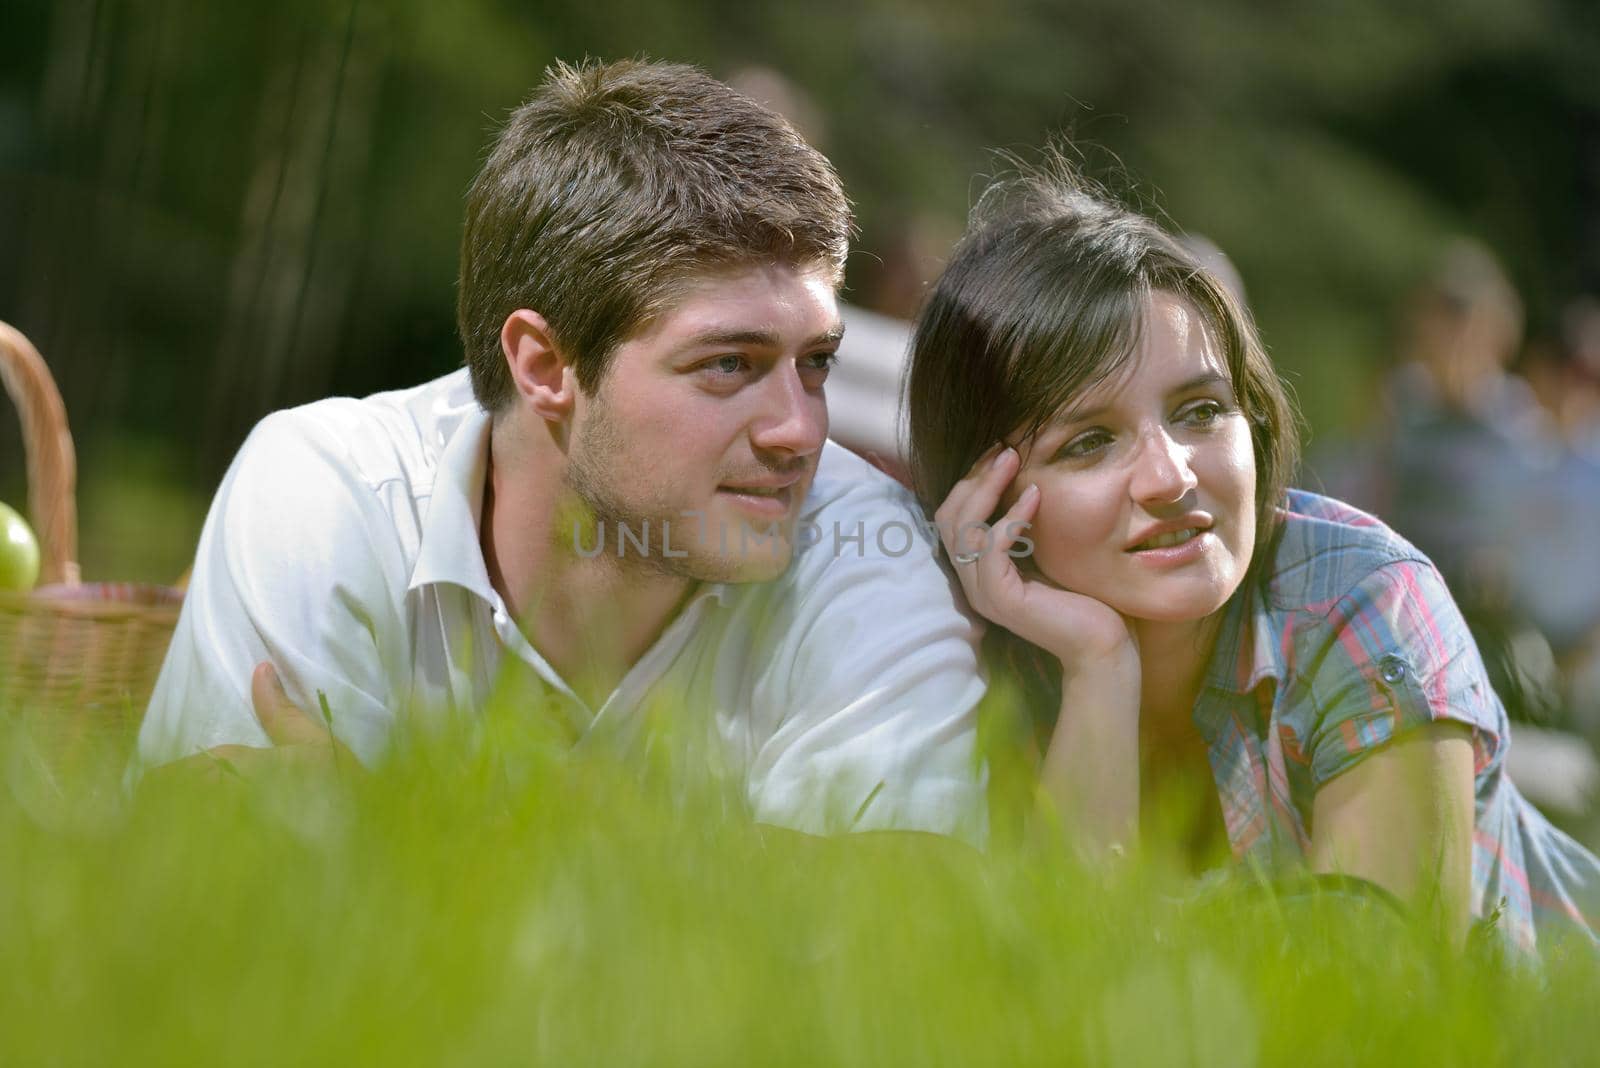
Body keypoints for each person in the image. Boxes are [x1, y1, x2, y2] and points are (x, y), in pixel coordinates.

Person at [135, 59, 986, 842]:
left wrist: (391, 823)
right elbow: (223, 885)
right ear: (545, 366)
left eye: (816, 364)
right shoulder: (326, 487)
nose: (801, 430)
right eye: (730, 363)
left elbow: (903, 918)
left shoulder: (864, 541)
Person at [903, 157, 1600, 954]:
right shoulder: (954, 651)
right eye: (1090, 442)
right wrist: (1099, 667)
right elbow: (1049, 991)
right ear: (987, 495)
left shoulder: (1364, 600)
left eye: (1201, 411)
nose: (1171, 477)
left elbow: (1378, 1001)